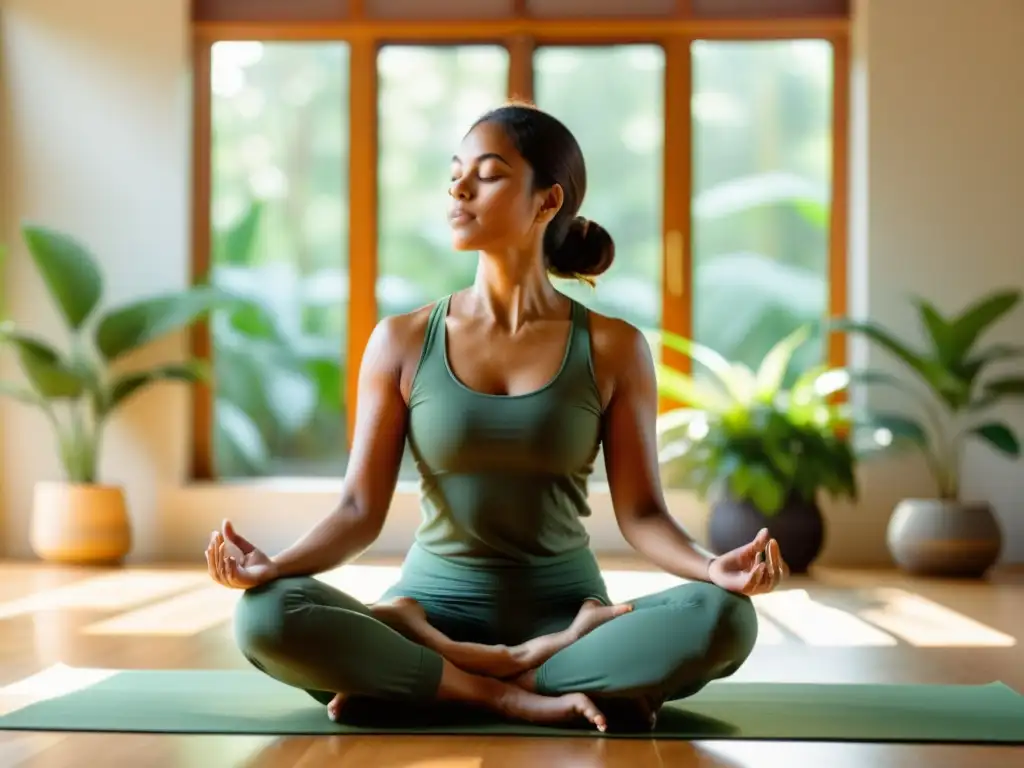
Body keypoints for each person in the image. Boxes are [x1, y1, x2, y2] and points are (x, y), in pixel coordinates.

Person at [205, 102, 789, 734]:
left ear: (546, 201)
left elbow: (643, 514)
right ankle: (508, 693)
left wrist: (711, 568)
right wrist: (276, 567)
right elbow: (357, 510)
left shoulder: (613, 347)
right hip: (429, 616)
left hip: (567, 622)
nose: (458, 187)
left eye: (487, 173)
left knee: (726, 618)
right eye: (456, 171)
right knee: (264, 616)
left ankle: (439, 681)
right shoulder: (402, 340)